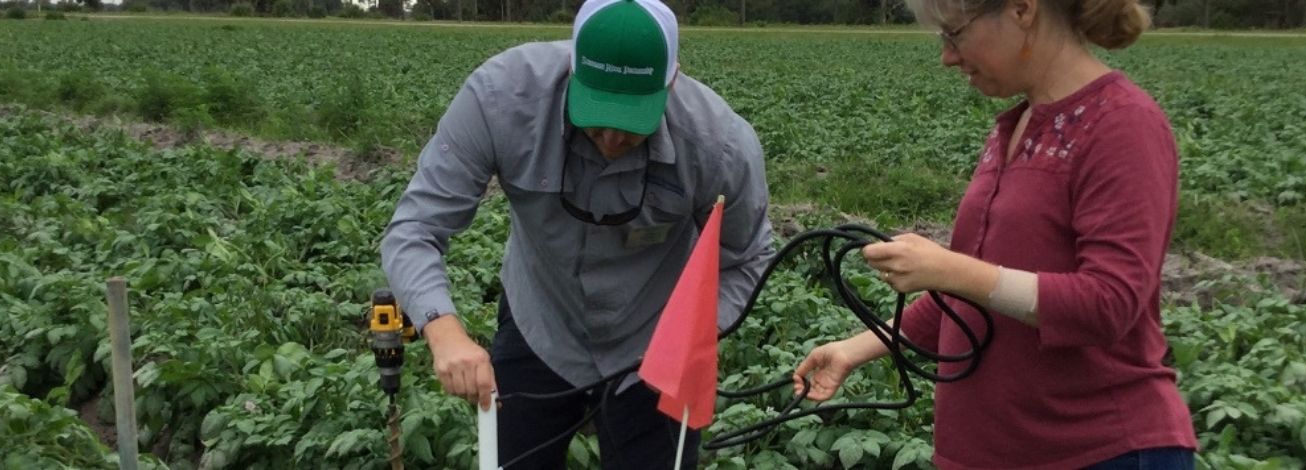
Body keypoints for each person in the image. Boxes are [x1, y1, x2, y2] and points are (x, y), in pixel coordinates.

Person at [790, 0, 1198, 468]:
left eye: (954, 33)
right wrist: (854, 349)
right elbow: (973, 296)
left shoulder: (1122, 123)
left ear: (1022, 10)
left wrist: (949, 269)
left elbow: (1110, 302)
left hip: (1095, 450)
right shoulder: (1017, 125)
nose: (947, 56)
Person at [380, 0, 775, 467]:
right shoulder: (501, 98)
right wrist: (444, 331)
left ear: (671, 81)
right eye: (598, 113)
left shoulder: (719, 144)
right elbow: (415, 227)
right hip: (539, 324)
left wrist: (688, 339)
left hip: (654, 343)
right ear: (573, 68)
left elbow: (748, 257)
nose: (610, 138)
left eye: (631, 122)